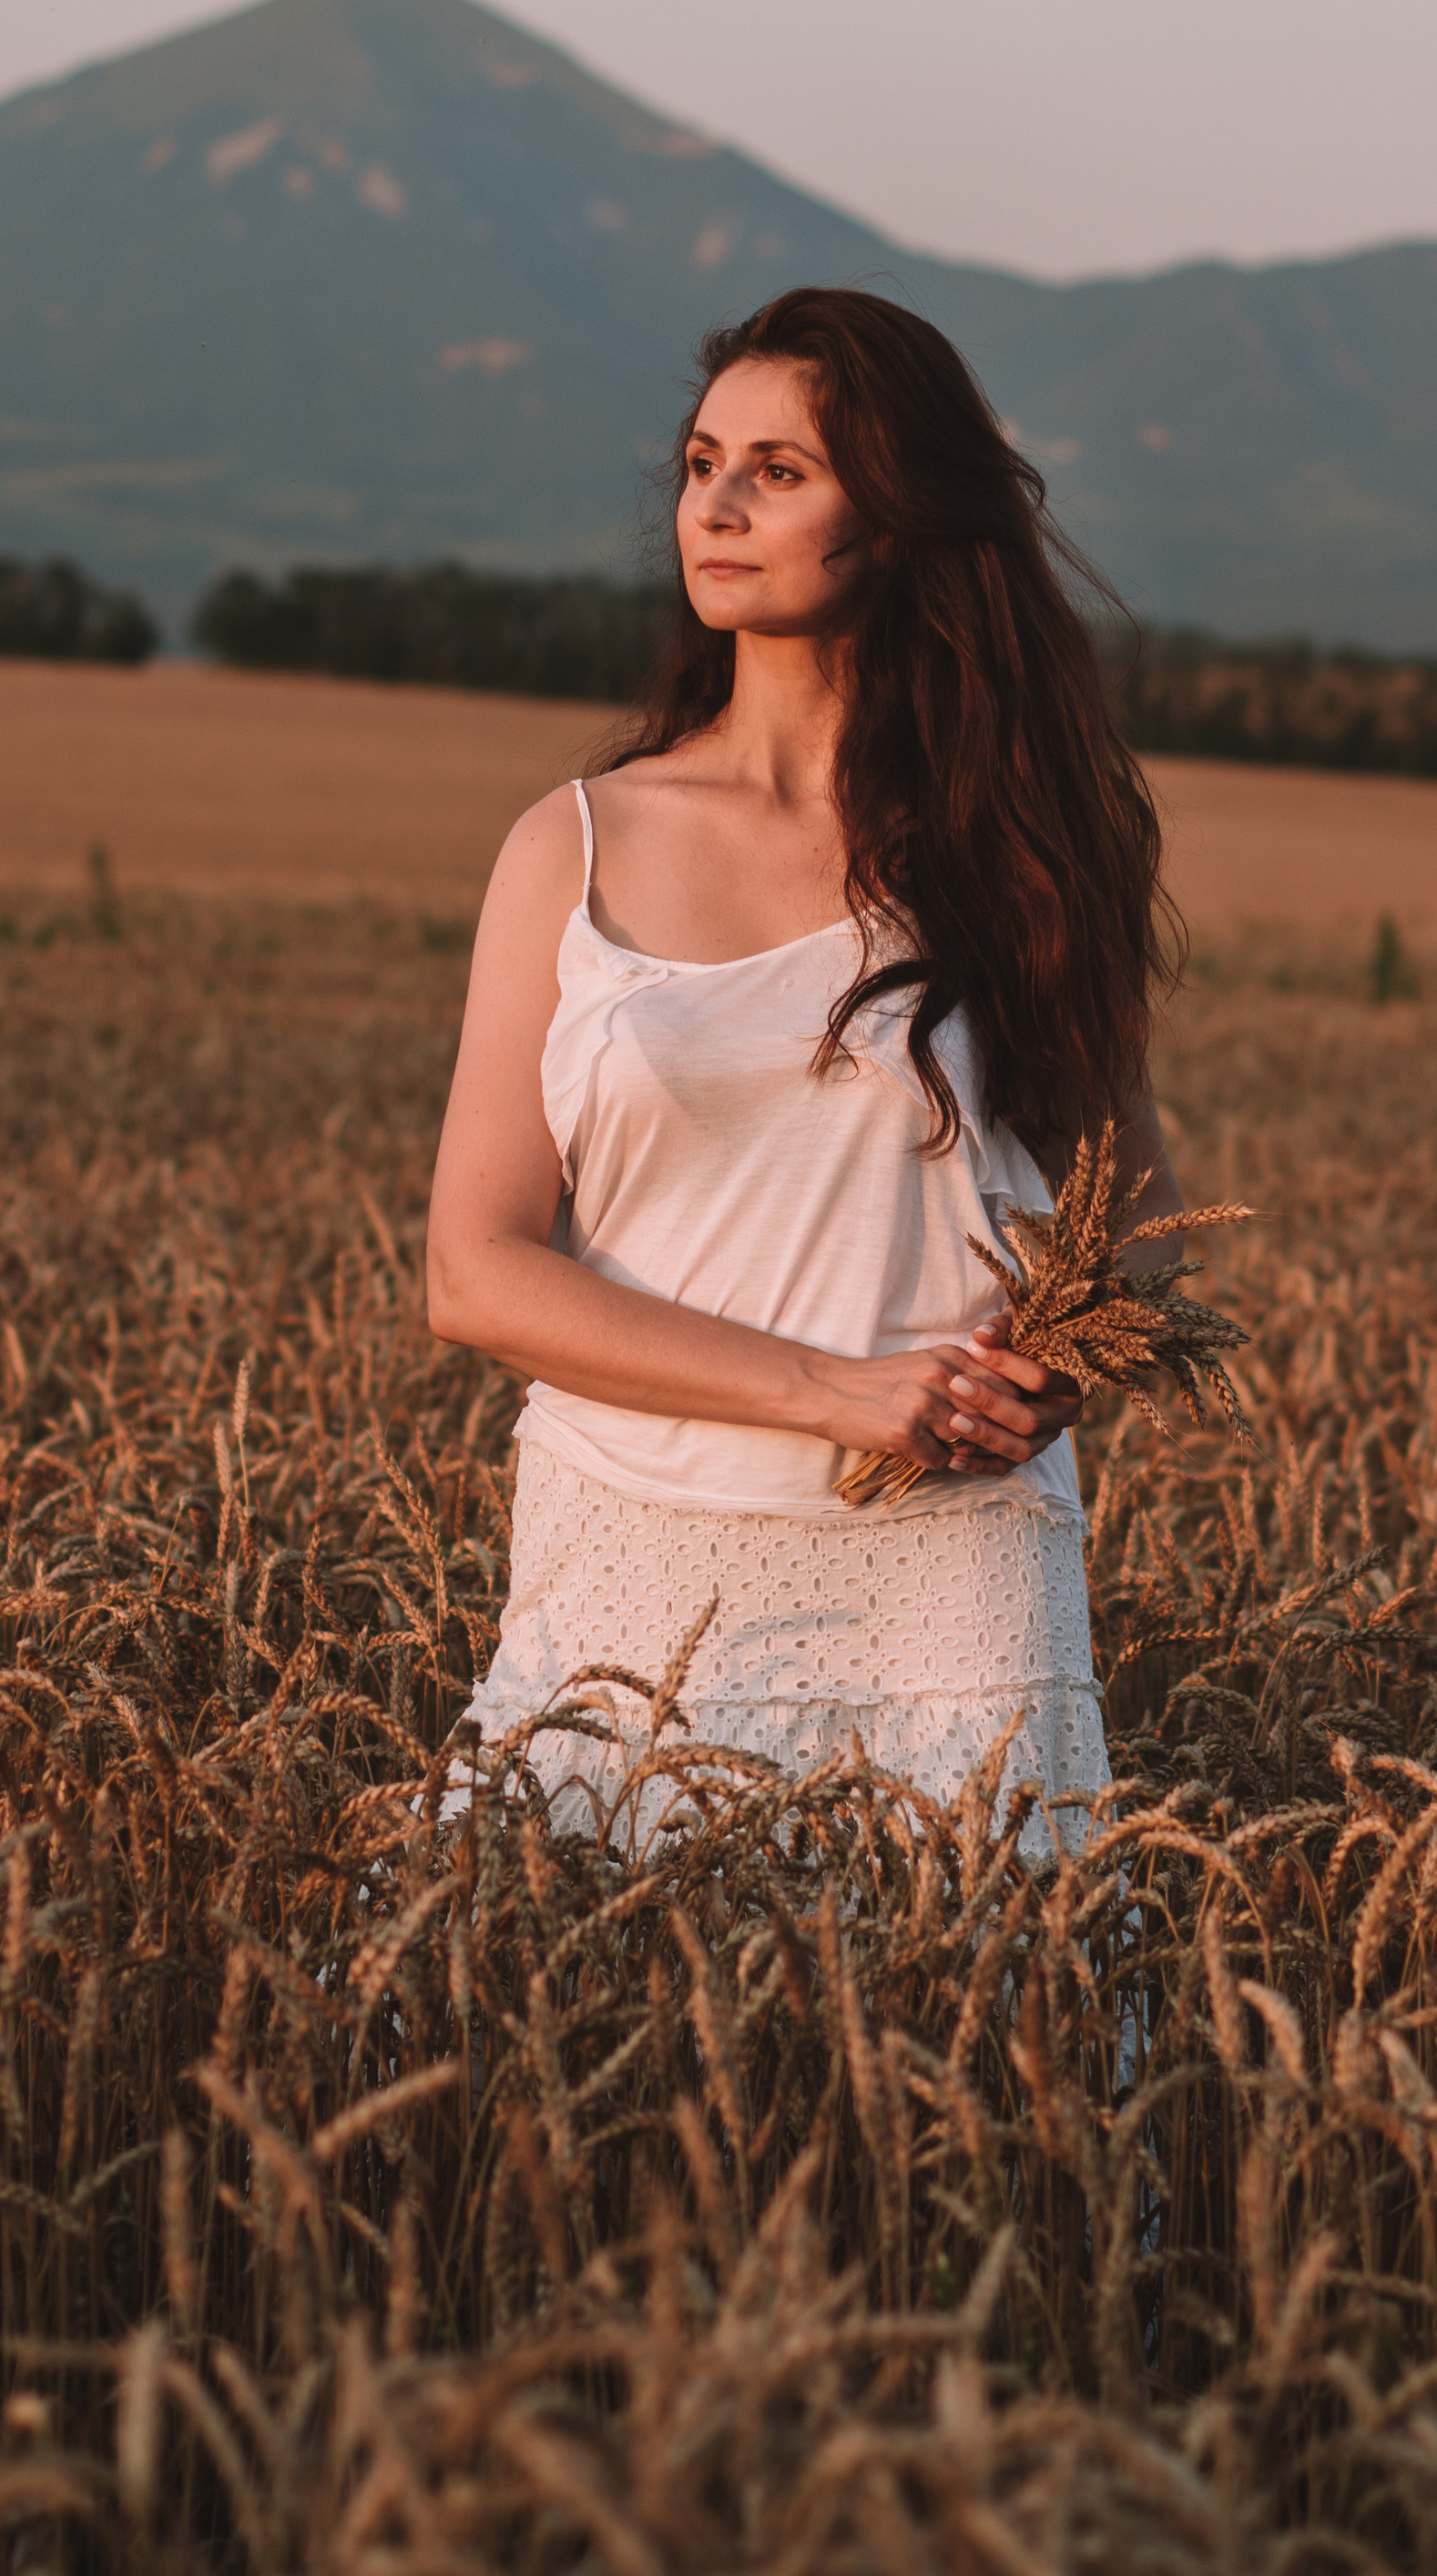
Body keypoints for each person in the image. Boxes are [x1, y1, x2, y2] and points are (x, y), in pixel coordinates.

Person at [424, 284, 1183, 1853]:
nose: (715, 503)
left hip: (953, 1571)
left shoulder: (1024, 853)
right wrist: (835, 1393)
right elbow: (476, 1275)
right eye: (704, 462)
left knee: (973, 2060)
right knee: (546, 2027)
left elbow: (1145, 1230)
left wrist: (1063, 1365)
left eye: (780, 470)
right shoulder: (572, 845)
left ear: (898, 516)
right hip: (632, 1553)